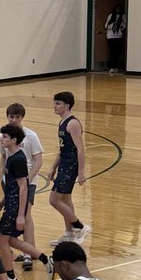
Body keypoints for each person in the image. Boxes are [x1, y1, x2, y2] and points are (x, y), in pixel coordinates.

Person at [0, 125, 51, 280]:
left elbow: (23, 186)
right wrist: (4, 200)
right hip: (11, 202)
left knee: (2, 239)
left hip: (15, 206)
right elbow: (13, 185)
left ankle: (10, 278)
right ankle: (45, 259)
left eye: (5, 136)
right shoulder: (12, 156)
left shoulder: (18, 159)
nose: (2, 139)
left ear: (14, 140)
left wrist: (21, 214)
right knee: (11, 240)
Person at [2, 103, 44, 269]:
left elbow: (38, 160)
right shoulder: (4, 135)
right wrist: (2, 177)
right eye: (11, 116)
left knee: (26, 215)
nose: (13, 120)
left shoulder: (31, 136)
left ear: (22, 118)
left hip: (27, 182)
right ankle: (31, 252)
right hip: (11, 181)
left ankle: (28, 254)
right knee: (24, 216)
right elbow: (3, 157)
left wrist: (28, 179)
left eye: (17, 117)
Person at [48, 91, 87, 241]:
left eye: (58, 103)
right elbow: (62, 148)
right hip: (64, 164)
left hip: (71, 166)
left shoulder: (73, 123)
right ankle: (69, 233)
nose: (55, 106)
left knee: (54, 199)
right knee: (65, 200)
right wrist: (53, 167)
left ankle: (79, 227)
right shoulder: (62, 122)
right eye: (55, 103)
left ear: (67, 105)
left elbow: (80, 148)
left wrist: (81, 171)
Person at [104, 6, 126, 74]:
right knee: (112, 51)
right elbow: (106, 26)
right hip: (111, 36)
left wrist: (121, 26)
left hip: (119, 36)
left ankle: (116, 66)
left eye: (119, 9)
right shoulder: (111, 15)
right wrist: (113, 25)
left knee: (117, 52)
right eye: (117, 8)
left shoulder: (123, 16)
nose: (118, 10)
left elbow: (124, 25)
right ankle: (111, 66)